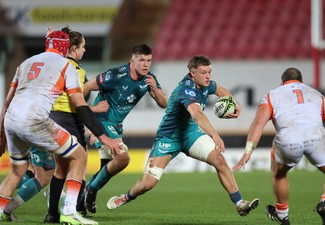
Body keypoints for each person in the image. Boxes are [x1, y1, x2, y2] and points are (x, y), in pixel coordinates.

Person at [0, 29, 121, 225]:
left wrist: (2, 135)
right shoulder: (67, 66)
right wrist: (103, 136)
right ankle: (69, 211)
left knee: (17, 170)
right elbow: (80, 106)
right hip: (36, 120)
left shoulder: (26, 63)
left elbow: (7, 102)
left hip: (12, 121)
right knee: (79, 156)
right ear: (66, 47)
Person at [106, 55, 259, 216]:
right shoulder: (186, 90)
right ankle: (126, 197)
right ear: (192, 73)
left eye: (209, 72)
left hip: (190, 135)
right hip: (169, 137)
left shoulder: (206, 84)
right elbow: (197, 115)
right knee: (148, 184)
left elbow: (221, 90)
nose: (208, 76)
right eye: (203, 72)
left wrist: (233, 103)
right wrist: (214, 134)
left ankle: (240, 203)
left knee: (219, 159)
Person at [233, 67, 325, 225]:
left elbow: (258, 123)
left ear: (282, 82)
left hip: (288, 140)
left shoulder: (272, 95)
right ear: (301, 82)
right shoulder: (316, 94)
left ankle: (281, 213)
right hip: (316, 137)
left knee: (279, 173)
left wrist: (248, 151)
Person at [82, 43, 167, 214]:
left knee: (106, 168)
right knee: (123, 159)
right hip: (101, 121)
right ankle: (90, 190)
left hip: (116, 126)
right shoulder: (115, 75)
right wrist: (86, 115)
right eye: (141, 60)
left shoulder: (149, 79)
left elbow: (164, 103)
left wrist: (155, 90)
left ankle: (82, 196)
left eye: (148, 60)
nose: (145, 64)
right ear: (132, 61)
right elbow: (86, 87)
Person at [44, 26, 109, 223]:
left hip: (52, 118)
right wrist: (94, 111)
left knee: (60, 170)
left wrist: (50, 37)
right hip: (69, 119)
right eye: (82, 47)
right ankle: (75, 211)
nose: (84, 50)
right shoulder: (77, 70)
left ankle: (52, 214)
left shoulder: (55, 64)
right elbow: (77, 102)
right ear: (73, 48)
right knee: (79, 166)